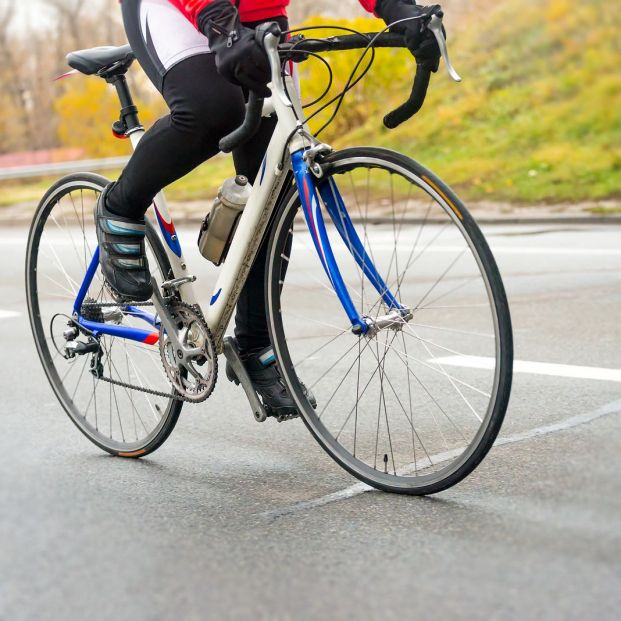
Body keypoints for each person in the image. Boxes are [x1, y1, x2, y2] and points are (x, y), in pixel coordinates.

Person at [96, 0, 441, 416]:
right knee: (213, 110)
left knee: (273, 180)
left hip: (259, 14)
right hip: (181, 8)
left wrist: (395, 8)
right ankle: (120, 207)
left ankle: (257, 344)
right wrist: (219, 25)